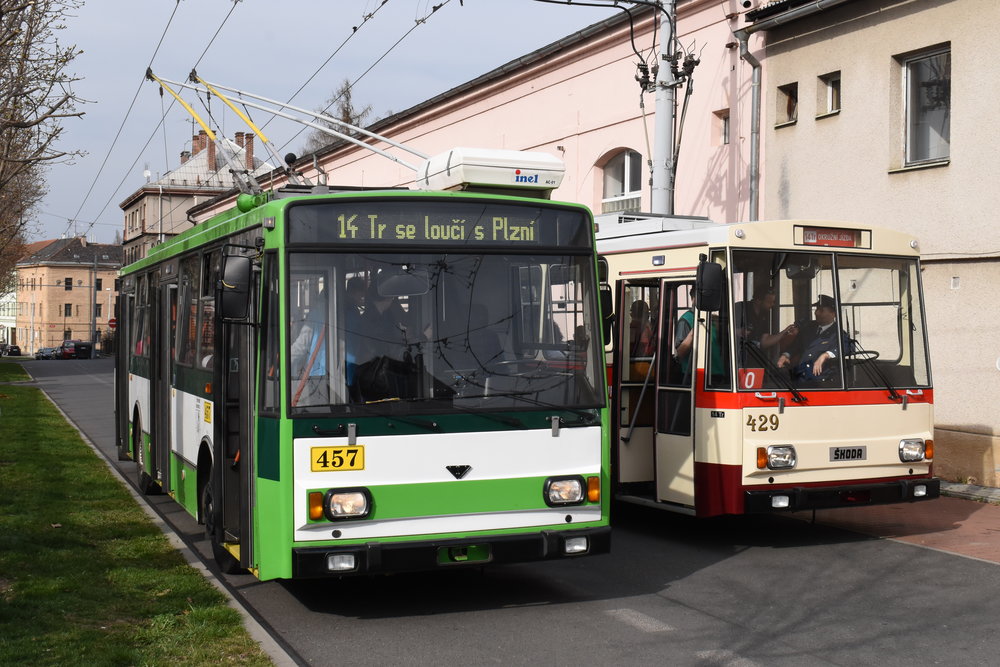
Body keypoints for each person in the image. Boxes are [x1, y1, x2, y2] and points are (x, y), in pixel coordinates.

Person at [777, 294, 853, 384]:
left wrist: (825, 355)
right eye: (817, 309)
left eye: (821, 310)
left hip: (822, 381)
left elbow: (849, 347)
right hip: (801, 377)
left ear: (834, 314)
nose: (817, 313)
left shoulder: (837, 333)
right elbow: (796, 346)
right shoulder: (808, 328)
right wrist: (785, 355)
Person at [290, 290, 329, 406]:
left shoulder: (315, 314)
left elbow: (301, 346)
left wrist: (283, 362)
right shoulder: (342, 312)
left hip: (317, 374)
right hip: (336, 374)